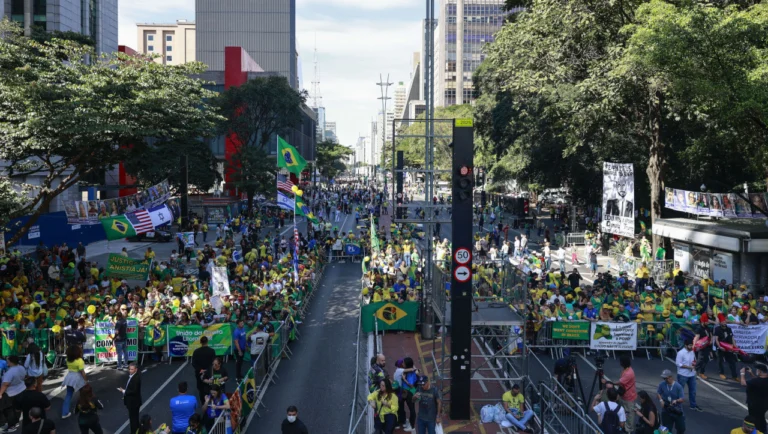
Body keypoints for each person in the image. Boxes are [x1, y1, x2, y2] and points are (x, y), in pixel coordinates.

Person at [61, 344, 87, 419]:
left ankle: (64, 412)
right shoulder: (80, 361)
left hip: (69, 378)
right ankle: (84, 409)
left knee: (68, 395)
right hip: (78, 378)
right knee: (83, 394)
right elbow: (82, 372)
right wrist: (86, 380)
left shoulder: (67, 360)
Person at [0, 355, 26, 430]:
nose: (7, 362)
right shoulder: (21, 367)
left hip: (11, 393)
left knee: (9, 409)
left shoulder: (10, 372)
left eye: (8, 361)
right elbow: (24, 376)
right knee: (17, 408)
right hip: (21, 389)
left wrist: (0, 393)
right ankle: (16, 422)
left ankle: (11, 426)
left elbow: (5, 384)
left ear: (11, 362)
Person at [741, 363, 768, 434]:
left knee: (754, 419)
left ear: (760, 371)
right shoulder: (761, 380)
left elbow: (743, 383)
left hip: (754, 404)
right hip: (765, 404)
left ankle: (756, 431)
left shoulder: (755, 382)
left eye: (757, 370)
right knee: (761, 417)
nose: (756, 371)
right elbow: (757, 380)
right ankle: (764, 430)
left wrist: (742, 373)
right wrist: (751, 373)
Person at [657, 369, 686, 434]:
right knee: (665, 430)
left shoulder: (678, 386)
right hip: (666, 410)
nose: (665, 380)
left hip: (676, 410)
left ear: (670, 377)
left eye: (666, 378)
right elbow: (658, 393)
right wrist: (661, 400)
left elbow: (682, 398)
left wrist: (676, 400)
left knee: (681, 428)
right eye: (663, 378)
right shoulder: (662, 384)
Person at [675, 339, 701, 412]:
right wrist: (688, 367)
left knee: (693, 391)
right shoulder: (681, 353)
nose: (691, 346)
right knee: (680, 391)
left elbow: (693, 361)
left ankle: (693, 405)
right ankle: (677, 405)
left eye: (692, 345)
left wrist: (694, 365)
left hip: (692, 374)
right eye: (690, 345)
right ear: (686, 345)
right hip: (682, 375)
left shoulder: (692, 352)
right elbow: (678, 363)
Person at [117, 363, 141, 434]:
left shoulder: (136, 378)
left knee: (133, 420)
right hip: (133, 402)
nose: (130, 371)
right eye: (129, 369)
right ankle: (137, 431)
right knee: (134, 419)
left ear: (136, 369)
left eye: (132, 369)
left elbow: (134, 391)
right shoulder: (133, 376)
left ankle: (134, 432)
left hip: (133, 403)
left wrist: (123, 391)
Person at [714, 315, 739, 381]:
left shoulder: (729, 329)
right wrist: (719, 346)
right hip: (721, 347)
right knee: (720, 361)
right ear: (720, 322)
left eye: (725, 321)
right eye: (723, 322)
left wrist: (735, 346)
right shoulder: (717, 329)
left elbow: (732, 337)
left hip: (728, 347)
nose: (724, 323)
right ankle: (721, 373)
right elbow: (716, 339)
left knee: (732, 362)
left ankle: (734, 376)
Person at [191, 336, 216, 402]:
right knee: (210, 387)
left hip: (199, 373)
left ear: (200, 342)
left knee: (201, 388)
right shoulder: (212, 351)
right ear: (207, 342)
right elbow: (213, 363)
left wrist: (200, 369)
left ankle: (203, 402)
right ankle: (210, 401)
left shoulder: (196, 351)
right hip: (209, 373)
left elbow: (193, 363)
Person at [617, 355, 637, 432]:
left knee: (629, 415)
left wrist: (611, 383)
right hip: (625, 396)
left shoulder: (628, 373)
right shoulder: (626, 370)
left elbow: (620, 382)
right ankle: (625, 427)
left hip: (629, 397)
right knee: (625, 412)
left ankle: (629, 430)